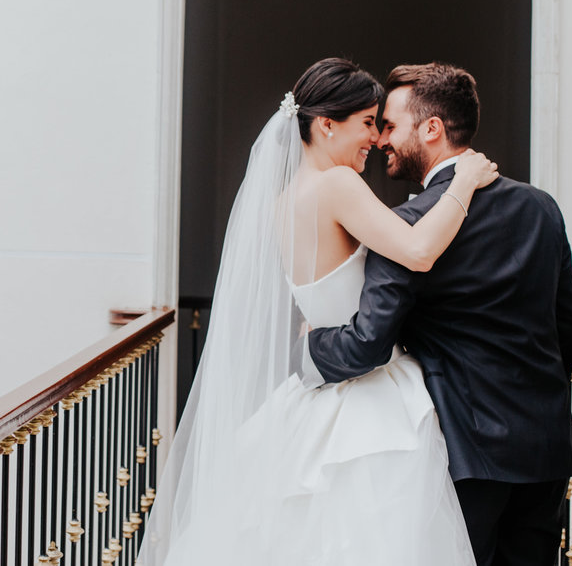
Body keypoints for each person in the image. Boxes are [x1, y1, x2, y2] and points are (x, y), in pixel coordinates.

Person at [137, 58, 497, 566]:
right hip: (367, 391)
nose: (376, 138)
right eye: (368, 122)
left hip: (318, 386)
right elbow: (417, 251)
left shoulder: (286, 199)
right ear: (326, 125)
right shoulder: (337, 186)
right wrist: (463, 180)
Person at [308, 62, 572, 566]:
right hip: (545, 448)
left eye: (389, 124)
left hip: (464, 453)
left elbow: (367, 344)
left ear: (431, 129)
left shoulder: (406, 226)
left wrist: (311, 341)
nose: (381, 138)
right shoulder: (542, 207)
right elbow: (567, 325)